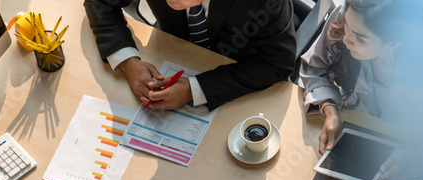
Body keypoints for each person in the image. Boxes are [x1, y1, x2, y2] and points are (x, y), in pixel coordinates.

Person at [84, 0, 297, 110]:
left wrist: (196, 89)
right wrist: (128, 62)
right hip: (173, 50)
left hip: (240, 76)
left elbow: (277, 63)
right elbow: (99, 3)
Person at [299, 0, 401, 155]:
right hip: (349, 125)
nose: (345, 39)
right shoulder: (350, 13)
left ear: (393, 44)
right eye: (346, 24)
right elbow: (314, 68)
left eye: (360, 39)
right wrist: (329, 108)